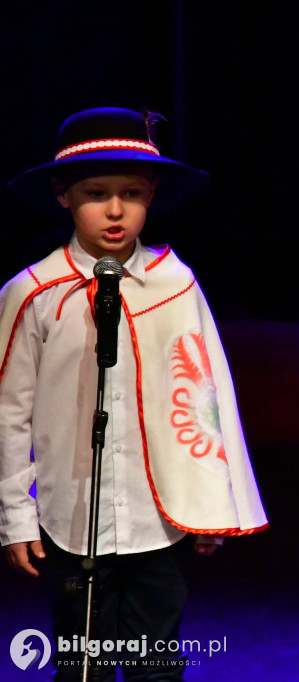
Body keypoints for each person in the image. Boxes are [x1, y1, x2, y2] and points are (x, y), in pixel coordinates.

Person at [0, 107, 267, 680]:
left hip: (157, 520)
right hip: (71, 520)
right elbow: (9, 413)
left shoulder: (176, 285)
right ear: (62, 195)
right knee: (83, 665)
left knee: (154, 663)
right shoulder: (33, 292)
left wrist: (209, 505)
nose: (116, 211)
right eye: (96, 192)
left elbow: (206, 398)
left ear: (153, 195)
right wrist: (15, 517)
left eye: (132, 193)